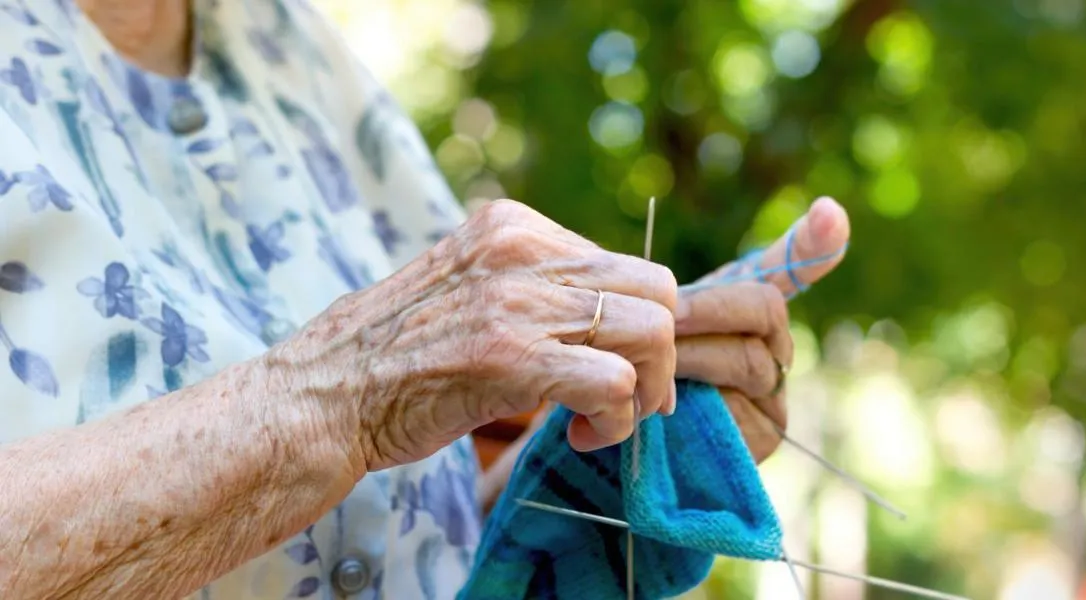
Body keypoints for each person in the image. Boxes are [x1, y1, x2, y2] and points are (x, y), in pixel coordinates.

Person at [0, 1, 850, 598]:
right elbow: (357, 401)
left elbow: (394, 534)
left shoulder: (294, 51)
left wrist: (580, 472)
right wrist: (336, 395)